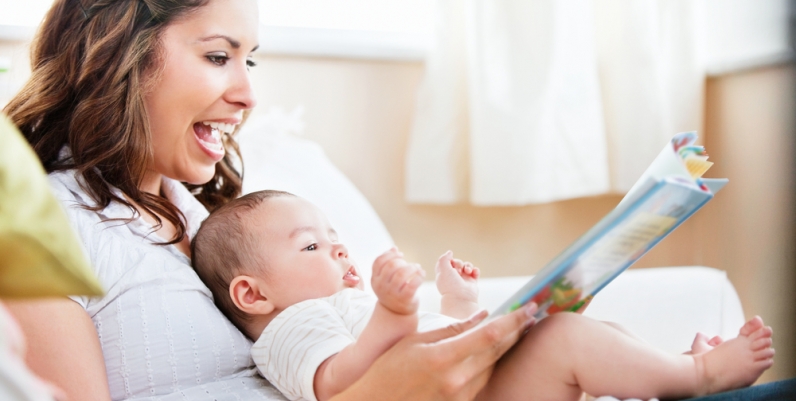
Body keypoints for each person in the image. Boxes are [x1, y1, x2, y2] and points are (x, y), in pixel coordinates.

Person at [3, 0, 795, 400]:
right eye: (218, 56)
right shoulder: (42, 227)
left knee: (567, 333)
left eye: (251, 59)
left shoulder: (216, 214)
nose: (246, 93)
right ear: (120, 56)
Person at [191, 190, 775, 401]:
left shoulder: (339, 306)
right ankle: (696, 374)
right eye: (312, 248)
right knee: (565, 339)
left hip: (474, 387)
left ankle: (668, 370)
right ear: (251, 293)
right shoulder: (291, 329)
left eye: (337, 240)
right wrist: (395, 310)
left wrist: (458, 303)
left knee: (578, 331)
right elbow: (343, 385)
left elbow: (431, 350)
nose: (340, 253)